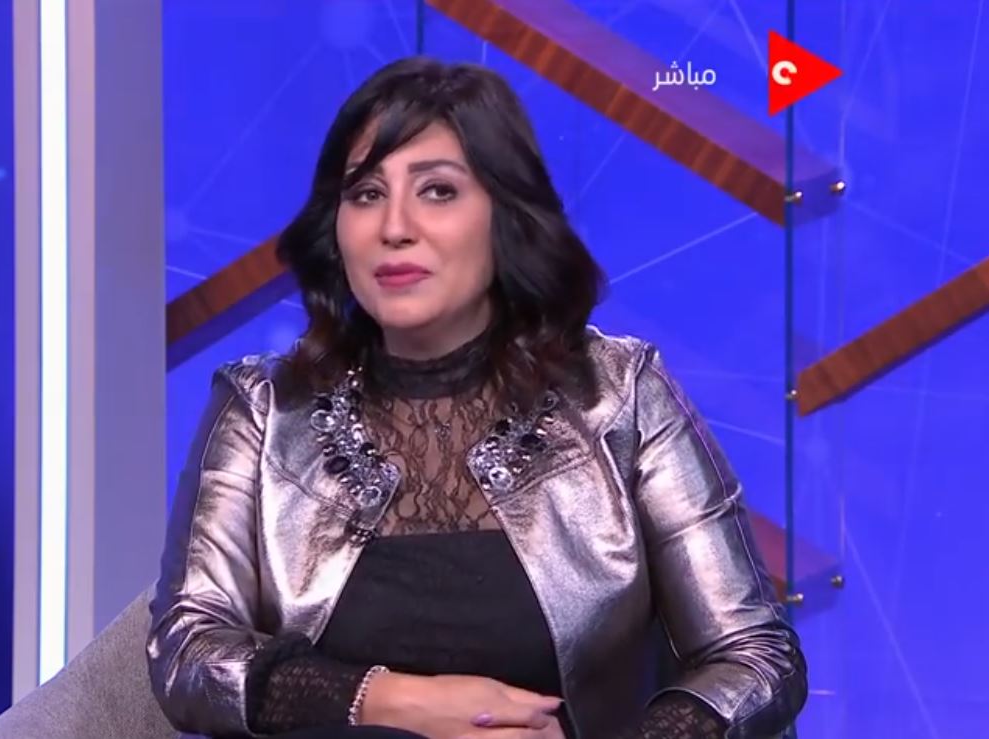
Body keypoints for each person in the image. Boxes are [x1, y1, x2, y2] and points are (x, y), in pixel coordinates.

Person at [146, 56, 807, 739]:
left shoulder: (619, 393)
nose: (393, 227)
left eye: (437, 191)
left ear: (504, 216)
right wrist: (389, 700)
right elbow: (187, 651)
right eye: (365, 193)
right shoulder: (262, 407)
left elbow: (756, 656)